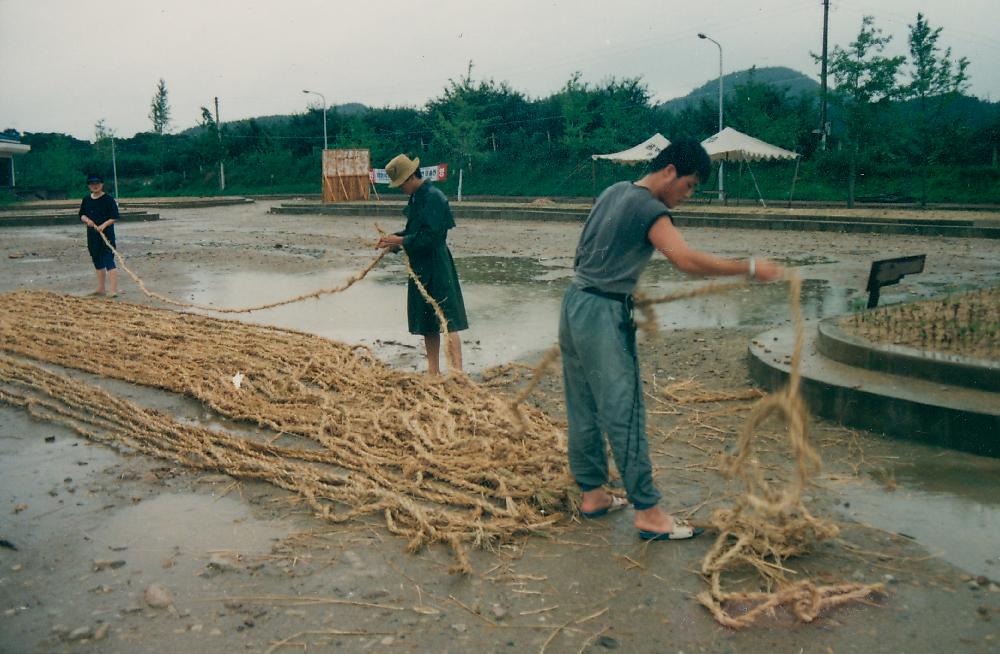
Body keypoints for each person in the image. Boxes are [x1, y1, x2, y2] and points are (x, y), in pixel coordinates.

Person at [559, 139, 784, 540]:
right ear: (669, 172)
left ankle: (593, 494)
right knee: (624, 410)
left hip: (575, 302)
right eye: (690, 185)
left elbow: (584, 254)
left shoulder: (613, 192)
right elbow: (685, 260)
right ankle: (648, 512)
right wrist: (749, 267)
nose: (689, 195)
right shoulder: (650, 208)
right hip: (604, 313)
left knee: (584, 405)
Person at [376, 154, 468, 375]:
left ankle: (457, 374)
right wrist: (394, 241)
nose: (401, 190)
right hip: (420, 265)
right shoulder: (417, 197)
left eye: (400, 185)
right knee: (428, 322)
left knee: (448, 319)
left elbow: (432, 237)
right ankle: (433, 372)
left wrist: (401, 241)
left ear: (410, 177)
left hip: (436, 264)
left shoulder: (434, 198)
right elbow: (412, 232)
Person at [77, 173, 120, 296]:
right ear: (89, 186)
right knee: (96, 259)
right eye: (92, 184)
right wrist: (87, 220)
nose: (95, 186)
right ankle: (101, 288)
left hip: (106, 235)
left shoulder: (108, 199)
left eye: (97, 183)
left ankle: (113, 290)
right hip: (92, 235)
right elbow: (81, 215)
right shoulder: (86, 199)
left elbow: (115, 217)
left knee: (108, 260)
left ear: (102, 184)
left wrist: (104, 225)